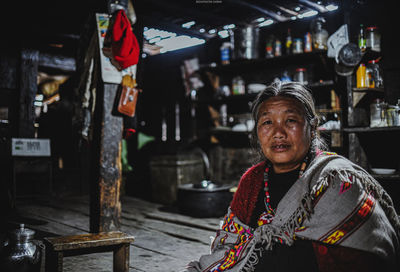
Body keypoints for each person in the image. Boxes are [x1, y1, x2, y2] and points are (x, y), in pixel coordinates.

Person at [184, 81, 400, 272]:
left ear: (312, 128)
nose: (278, 132)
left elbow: (363, 258)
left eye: (290, 120)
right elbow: (229, 243)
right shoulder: (253, 180)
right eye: (267, 122)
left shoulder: (339, 181)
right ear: (257, 133)